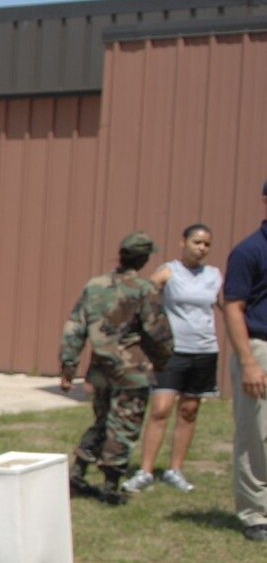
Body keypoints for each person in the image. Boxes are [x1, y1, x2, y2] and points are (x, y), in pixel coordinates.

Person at [60, 232, 175, 506]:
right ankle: (111, 484)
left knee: (102, 421)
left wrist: (68, 365)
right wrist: (164, 360)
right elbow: (157, 332)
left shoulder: (95, 285)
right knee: (123, 425)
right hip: (131, 369)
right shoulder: (144, 289)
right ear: (144, 258)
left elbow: (75, 327)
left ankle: (78, 471)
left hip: (100, 368)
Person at [126, 224, 224, 494]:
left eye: (207, 244)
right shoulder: (168, 272)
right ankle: (144, 472)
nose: (201, 248)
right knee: (160, 409)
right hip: (172, 352)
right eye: (197, 242)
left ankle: (175, 470)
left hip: (204, 351)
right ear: (183, 242)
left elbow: (230, 308)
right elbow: (143, 299)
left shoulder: (215, 276)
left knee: (189, 411)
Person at [224, 181, 267, 543]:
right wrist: (249, 362)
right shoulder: (249, 250)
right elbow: (234, 308)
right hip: (259, 348)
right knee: (257, 434)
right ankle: (255, 512)